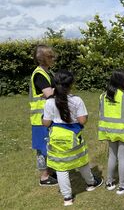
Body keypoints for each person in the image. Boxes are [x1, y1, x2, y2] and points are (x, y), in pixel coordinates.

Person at [42, 70, 103, 206]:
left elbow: (45, 123)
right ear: (71, 85)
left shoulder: (49, 102)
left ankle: (67, 198)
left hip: (56, 136)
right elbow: (82, 121)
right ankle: (91, 183)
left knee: (61, 167)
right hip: (74, 137)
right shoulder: (76, 100)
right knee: (81, 161)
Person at [98, 70, 124, 195]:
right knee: (122, 158)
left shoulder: (103, 96)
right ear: (123, 82)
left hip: (109, 131)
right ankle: (122, 186)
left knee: (112, 156)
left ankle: (109, 182)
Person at [29, 44, 58, 186]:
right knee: (43, 147)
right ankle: (44, 177)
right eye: (50, 56)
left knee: (50, 144)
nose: (53, 58)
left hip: (48, 115)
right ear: (43, 58)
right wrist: (60, 88)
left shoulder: (47, 72)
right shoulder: (39, 74)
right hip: (40, 118)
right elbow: (49, 94)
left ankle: (51, 172)